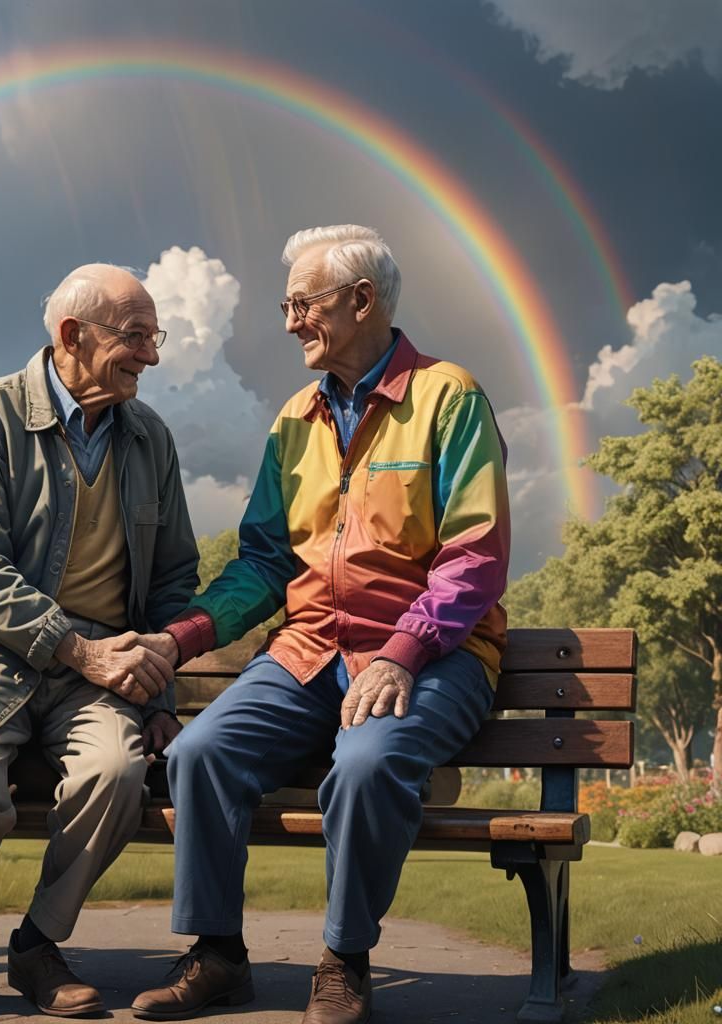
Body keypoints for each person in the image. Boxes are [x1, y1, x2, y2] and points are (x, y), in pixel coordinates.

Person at [131, 225, 510, 1024]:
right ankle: (218, 956)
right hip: (308, 649)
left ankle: (344, 960)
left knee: (366, 764)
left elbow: (474, 555)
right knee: (199, 753)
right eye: (286, 306)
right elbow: (264, 562)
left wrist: (403, 652)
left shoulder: (449, 397)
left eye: (303, 304)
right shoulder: (295, 419)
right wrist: (180, 638)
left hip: (432, 653)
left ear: (362, 300)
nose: (289, 322)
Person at [0, 264, 199, 1024]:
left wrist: (158, 695)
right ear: (72, 335)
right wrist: (77, 649)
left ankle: (37, 945)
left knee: (117, 773)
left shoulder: (150, 438)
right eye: (135, 337)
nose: (151, 355)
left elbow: (174, 578)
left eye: (154, 337)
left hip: (97, 667)